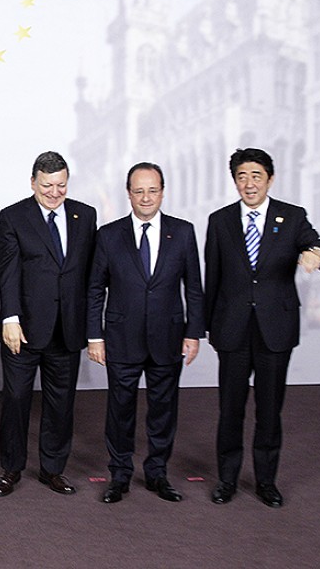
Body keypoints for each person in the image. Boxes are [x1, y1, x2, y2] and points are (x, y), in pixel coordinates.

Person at [205, 147, 320, 508]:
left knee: (270, 410)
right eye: (241, 176)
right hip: (232, 328)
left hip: (275, 328)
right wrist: (209, 326)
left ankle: (266, 482)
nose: (249, 183)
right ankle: (227, 479)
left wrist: (316, 255)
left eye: (256, 175)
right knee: (230, 409)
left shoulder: (292, 216)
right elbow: (213, 276)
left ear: (270, 179)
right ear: (234, 181)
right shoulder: (220, 220)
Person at [86, 162, 204, 504]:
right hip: (121, 337)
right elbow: (95, 289)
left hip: (168, 337)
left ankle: (157, 473)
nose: (146, 197)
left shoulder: (183, 232)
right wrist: (95, 336)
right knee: (119, 410)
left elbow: (193, 287)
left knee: (163, 410)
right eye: (139, 191)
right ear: (129, 194)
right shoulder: (109, 235)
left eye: (152, 190)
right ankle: (120, 475)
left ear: (163, 192)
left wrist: (193, 333)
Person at [0, 151, 96, 497]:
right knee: (16, 400)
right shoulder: (12, 217)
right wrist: (10, 318)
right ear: (33, 183)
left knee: (61, 403)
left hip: (67, 328)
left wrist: (92, 326)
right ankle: (11, 468)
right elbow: (7, 272)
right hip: (23, 329)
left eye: (61, 185)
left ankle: (53, 469)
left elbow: (88, 274)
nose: (54, 192)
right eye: (47, 185)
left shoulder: (85, 215)